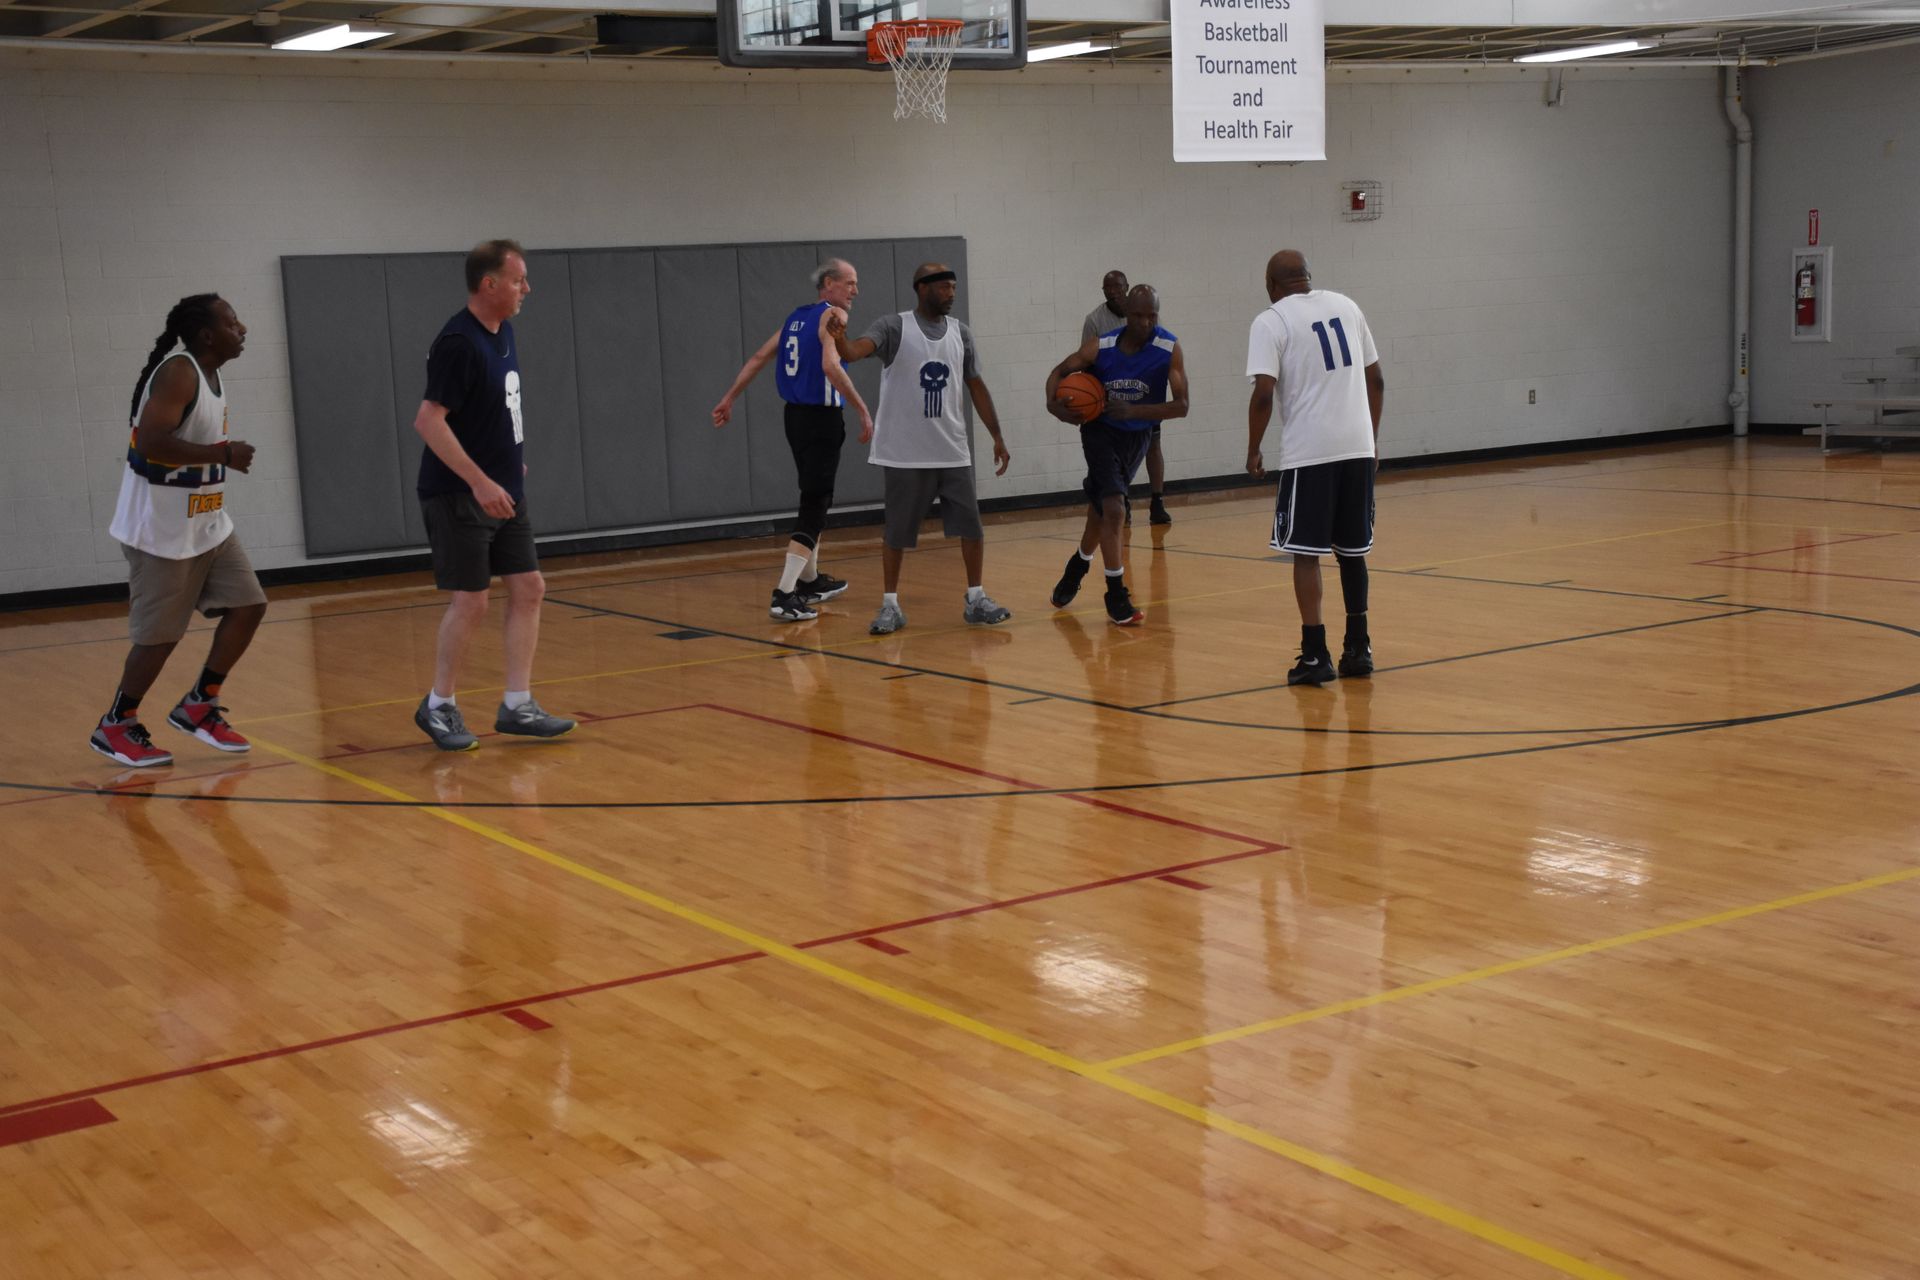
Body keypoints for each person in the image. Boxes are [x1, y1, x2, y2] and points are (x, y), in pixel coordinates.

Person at [412, 239, 575, 750]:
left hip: (507, 491)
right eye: (518, 279)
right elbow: (428, 421)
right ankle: (439, 706)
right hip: (460, 494)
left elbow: (494, 411)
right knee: (472, 601)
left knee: (529, 588)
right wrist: (480, 480)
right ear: (490, 284)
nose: (527, 288)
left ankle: (517, 705)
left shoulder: (504, 331)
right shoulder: (458, 342)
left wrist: (507, 461)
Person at [92, 294, 268, 768]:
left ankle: (199, 704)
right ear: (208, 335)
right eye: (234, 322)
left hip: (207, 523)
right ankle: (116, 724)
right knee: (159, 638)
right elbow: (151, 443)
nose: (243, 329)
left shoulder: (211, 374)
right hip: (160, 531)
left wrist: (220, 457)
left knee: (249, 606)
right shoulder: (180, 372)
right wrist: (223, 455)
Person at [826, 262, 1013, 636]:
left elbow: (975, 385)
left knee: (972, 528)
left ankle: (976, 598)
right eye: (944, 288)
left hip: (951, 448)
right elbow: (855, 351)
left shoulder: (961, 333)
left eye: (953, 288)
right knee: (896, 532)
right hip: (905, 452)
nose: (951, 294)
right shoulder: (894, 326)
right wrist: (840, 339)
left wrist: (997, 435)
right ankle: (890, 605)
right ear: (921, 288)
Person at [1245, 250, 1386, 685]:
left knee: (1306, 555)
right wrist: (1372, 444)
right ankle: (1358, 648)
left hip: (1311, 453)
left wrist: (1253, 449)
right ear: (1308, 277)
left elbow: (1264, 394)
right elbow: (1376, 380)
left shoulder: (1271, 320)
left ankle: (1314, 654)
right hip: (1357, 447)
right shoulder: (1347, 306)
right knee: (1352, 552)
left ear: (1270, 283)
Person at [712, 259, 875, 622]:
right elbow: (832, 367)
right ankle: (784, 593)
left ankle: (810, 581)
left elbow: (759, 356)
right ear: (829, 284)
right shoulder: (834, 316)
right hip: (820, 419)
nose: (855, 291)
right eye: (850, 283)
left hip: (795, 419)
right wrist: (863, 409)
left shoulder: (796, 317)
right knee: (816, 503)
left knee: (811, 495)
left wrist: (730, 397)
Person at [1046, 285, 1188, 625]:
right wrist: (1054, 407)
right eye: (1139, 315)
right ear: (1127, 314)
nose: (1146, 322)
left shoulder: (1168, 347)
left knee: (1101, 510)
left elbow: (1181, 406)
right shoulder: (1101, 346)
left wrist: (1135, 411)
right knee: (1114, 507)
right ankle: (1116, 594)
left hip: (1136, 436)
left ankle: (1078, 564)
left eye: (1152, 315)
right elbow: (1058, 373)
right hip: (1099, 431)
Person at [1084, 269, 1172, 525]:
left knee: (1153, 445)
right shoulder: (1095, 320)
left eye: (1117, 287)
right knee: (1114, 453)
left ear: (1126, 288)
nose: (1113, 291)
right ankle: (1122, 499)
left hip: (1144, 392)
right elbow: (1087, 363)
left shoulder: (1147, 315)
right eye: (1107, 288)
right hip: (1112, 398)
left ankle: (1157, 501)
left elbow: (1160, 353)